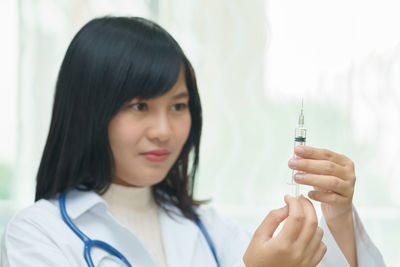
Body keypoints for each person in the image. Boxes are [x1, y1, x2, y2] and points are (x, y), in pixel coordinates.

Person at [0, 16, 385, 267]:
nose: (164, 130)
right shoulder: (38, 234)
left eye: (179, 105)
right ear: (89, 110)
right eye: (139, 106)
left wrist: (337, 214)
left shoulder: (210, 229)